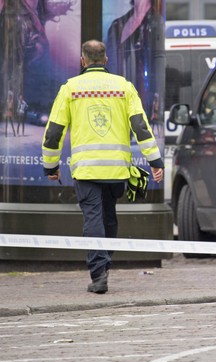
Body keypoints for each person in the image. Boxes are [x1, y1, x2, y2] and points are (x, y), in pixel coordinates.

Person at [41, 40, 164, 294]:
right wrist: (155, 162)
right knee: (109, 217)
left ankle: (99, 274)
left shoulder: (70, 88)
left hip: (86, 170)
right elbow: (140, 126)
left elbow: (53, 133)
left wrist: (50, 167)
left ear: (82, 61)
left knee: (93, 218)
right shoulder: (124, 86)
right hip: (116, 170)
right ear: (106, 60)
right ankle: (104, 266)